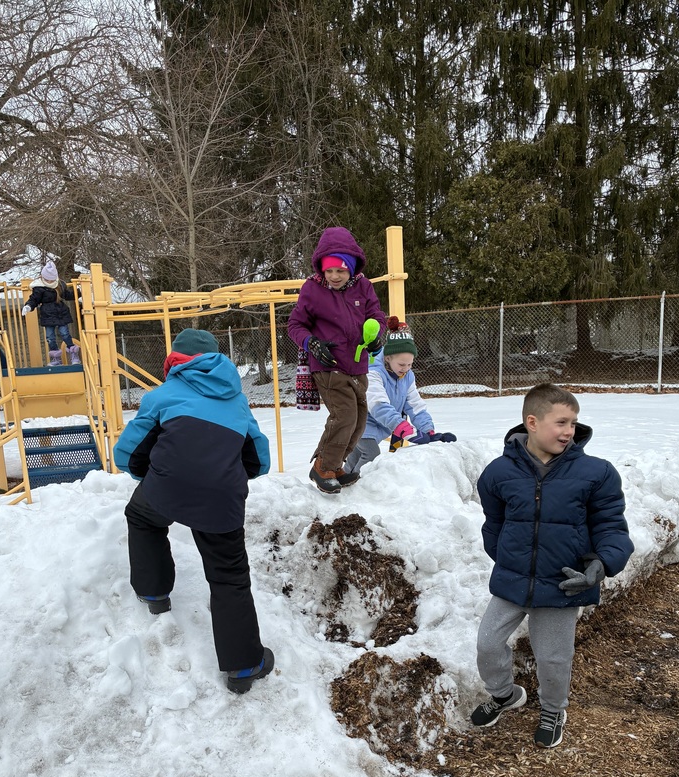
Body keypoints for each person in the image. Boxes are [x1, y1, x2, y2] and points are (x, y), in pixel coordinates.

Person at [471, 383, 634, 748]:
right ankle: (504, 695)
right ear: (532, 422)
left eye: (573, 423)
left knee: (554, 658)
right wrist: (507, 557)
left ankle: (553, 708)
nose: (569, 431)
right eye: (561, 422)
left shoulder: (596, 473)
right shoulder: (498, 473)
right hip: (513, 581)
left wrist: (602, 564)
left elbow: (611, 527)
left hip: (564, 584)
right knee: (487, 644)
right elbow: (494, 523)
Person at [113, 328, 274, 694]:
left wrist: (152, 475)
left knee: (141, 516)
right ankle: (244, 666)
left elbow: (126, 453)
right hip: (222, 496)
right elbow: (259, 460)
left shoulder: (162, 395)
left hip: (166, 487)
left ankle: (154, 595)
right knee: (229, 575)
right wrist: (221, 473)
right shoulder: (237, 401)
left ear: (174, 360)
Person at [287, 226, 387, 493]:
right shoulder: (312, 289)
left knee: (359, 419)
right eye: (329, 270)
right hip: (328, 364)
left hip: (357, 364)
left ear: (351, 269)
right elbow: (295, 325)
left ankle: (334, 465)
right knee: (344, 416)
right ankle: (322, 467)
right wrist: (312, 343)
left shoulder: (363, 287)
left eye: (340, 271)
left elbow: (376, 315)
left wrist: (378, 334)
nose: (334, 276)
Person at [343, 316, 457, 473]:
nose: (406, 368)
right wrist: (402, 427)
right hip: (359, 422)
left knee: (355, 456)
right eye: (402, 364)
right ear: (388, 358)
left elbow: (415, 405)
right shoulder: (373, 373)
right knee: (371, 455)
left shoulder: (408, 376)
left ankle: (343, 483)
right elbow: (379, 406)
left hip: (378, 426)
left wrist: (428, 431)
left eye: (410, 364)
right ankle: (357, 485)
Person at [22, 260, 80, 365]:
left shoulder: (59, 285)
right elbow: (34, 299)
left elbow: (67, 295)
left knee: (65, 333)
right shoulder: (39, 287)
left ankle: (73, 354)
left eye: (51, 280)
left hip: (60, 313)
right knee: (50, 337)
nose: (49, 282)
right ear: (43, 277)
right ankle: (56, 359)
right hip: (47, 315)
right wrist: (28, 306)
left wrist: (78, 292)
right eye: (47, 280)